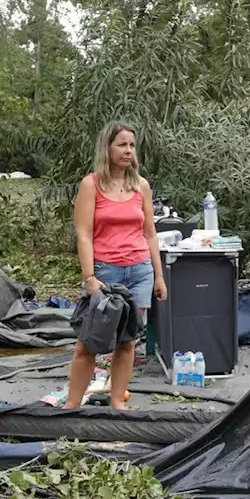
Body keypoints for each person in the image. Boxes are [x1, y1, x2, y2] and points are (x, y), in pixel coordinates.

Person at [64, 121, 167, 410]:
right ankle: (72, 406)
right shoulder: (91, 184)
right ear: (107, 148)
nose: (128, 151)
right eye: (122, 144)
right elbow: (83, 234)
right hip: (107, 274)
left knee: (128, 342)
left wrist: (159, 277)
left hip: (140, 272)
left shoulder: (141, 186)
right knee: (89, 342)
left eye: (132, 145)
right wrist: (89, 277)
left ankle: (116, 404)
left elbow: (150, 233)